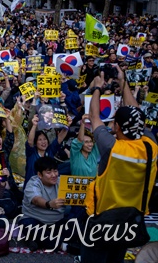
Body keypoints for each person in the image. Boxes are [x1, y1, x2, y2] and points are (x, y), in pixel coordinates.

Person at [81, 69, 158, 262]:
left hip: (103, 220)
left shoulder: (112, 147)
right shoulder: (151, 145)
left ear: (118, 127)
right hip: (130, 220)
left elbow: (94, 115)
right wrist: (123, 83)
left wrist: (98, 87)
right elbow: (138, 116)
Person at [19, 157, 67, 251]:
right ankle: (63, 245)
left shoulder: (62, 182)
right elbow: (36, 200)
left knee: (76, 226)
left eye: (55, 171)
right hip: (35, 221)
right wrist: (49, 204)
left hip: (56, 222)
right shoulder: (33, 183)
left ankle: (40, 241)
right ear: (40, 174)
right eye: (49, 172)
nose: (54, 175)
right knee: (28, 226)